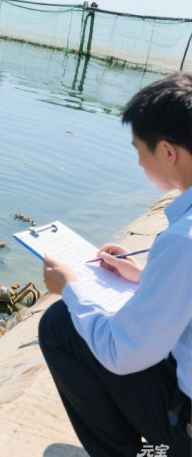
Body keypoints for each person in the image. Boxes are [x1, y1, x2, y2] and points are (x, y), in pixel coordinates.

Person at [38, 71, 192, 457]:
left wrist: (70, 288)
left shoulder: (182, 239)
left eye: (139, 148)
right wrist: (144, 276)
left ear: (168, 152)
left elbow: (123, 354)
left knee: (60, 325)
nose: (139, 160)